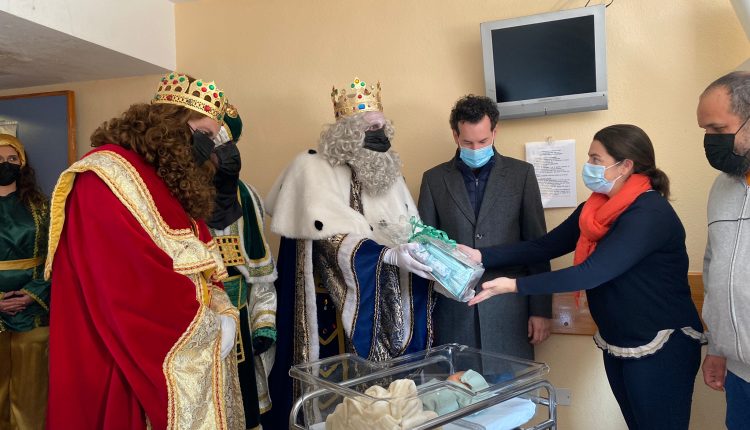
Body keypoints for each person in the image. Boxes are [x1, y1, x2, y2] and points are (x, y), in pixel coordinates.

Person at [462, 124, 704, 429]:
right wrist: (481, 255)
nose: (587, 165)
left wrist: (514, 285)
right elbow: (544, 246)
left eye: (595, 159)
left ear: (625, 166)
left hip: (661, 344)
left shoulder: (649, 213)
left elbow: (591, 273)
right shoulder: (595, 209)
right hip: (619, 339)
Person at [45, 72, 245, 429]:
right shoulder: (105, 176)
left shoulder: (170, 179)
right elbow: (129, 287)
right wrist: (210, 327)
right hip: (119, 355)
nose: (208, 149)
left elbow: (206, 265)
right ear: (171, 121)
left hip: (169, 332)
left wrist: (222, 309)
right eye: (203, 134)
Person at [263, 77, 434, 428]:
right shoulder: (311, 168)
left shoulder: (388, 174)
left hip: (384, 300)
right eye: (371, 127)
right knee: (337, 406)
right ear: (346, 131)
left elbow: (410, 229)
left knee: (382, 402)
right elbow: (326, 238)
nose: (380, 134)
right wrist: (384, 255)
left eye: (382, 126)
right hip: (330, 309)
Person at [418, 95, 551, 360]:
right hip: (455, 313)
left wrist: (541, 310)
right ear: (455, 135)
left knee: (512, 385)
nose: (476, 148)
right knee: (457, 385)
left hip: (509, 311)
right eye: (468, 142)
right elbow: (425, 250)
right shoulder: (434, 180)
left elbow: (538, 246)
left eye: (483, 141)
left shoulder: (521, 175)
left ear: (494, 132)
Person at [207, 104, 278, 428]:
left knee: (246, 407)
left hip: (240, 318)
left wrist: (264, 324)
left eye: (230, 146)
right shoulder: (175, 193)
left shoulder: (247, 196)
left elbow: (261, 275)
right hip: (198, 317)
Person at [698, 71, 750, 429]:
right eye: (705, 131)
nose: (710, 141)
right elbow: (714, 266)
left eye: (718, 129)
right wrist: (717, 347)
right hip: (740, 374)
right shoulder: (721, 188)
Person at [0, 134, 50, 429]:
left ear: (22, 164)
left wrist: (33, 293)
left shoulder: (43, 207)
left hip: (33, 312)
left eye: (12, 159)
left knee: (32, 393)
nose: (5, 164)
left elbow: (57, 258)